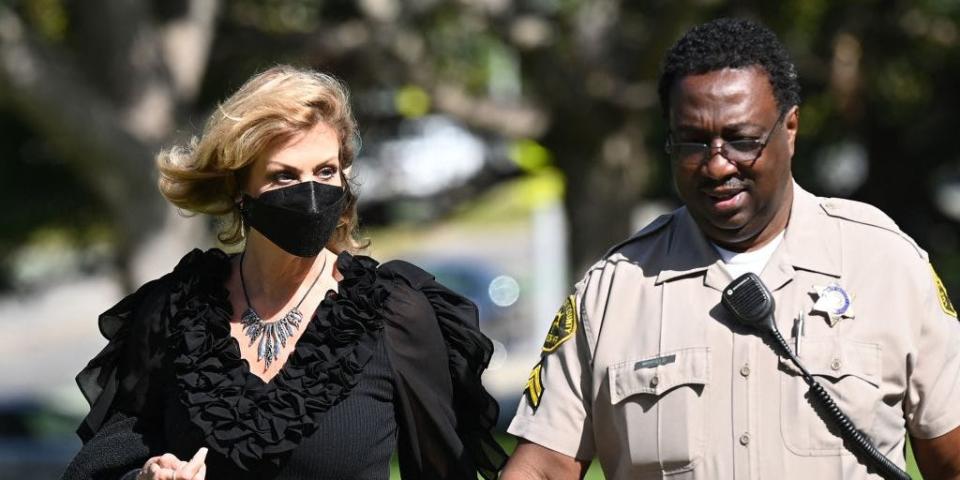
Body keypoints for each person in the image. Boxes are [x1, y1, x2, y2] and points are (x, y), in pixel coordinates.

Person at [502, 18, 960, 480]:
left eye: (742, 141)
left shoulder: (885, 263)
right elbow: (542, 468)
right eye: (694, 141)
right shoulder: (613, 290)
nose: (718, 165)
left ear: (791, 128)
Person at [61, 65, 506, 480]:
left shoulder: (394, 315)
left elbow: (444, 469)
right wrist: (146, 475)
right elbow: (108, 456)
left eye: (326, 171)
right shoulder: (176, 311)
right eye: (283, 176)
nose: (310, 195)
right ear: (239, 188)